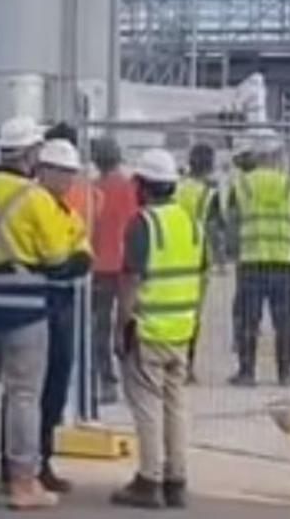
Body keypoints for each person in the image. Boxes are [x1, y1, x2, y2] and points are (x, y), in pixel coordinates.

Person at [0, 117, 91, 510]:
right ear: (30, 154)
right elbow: (56, 257)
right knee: (24, 396)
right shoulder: (36, 200)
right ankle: (22, 483)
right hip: (24, 309)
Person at [110, 148, 204, 510]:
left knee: (148, 406)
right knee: (175, 405)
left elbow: (130, 281)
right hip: (182, 328)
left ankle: (148, 479)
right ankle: (176, 478)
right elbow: (202, 274)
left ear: (143, 186)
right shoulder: (191, 223)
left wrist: (122, 328)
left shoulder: (142, 224)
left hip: (148, 329)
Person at [0, 138, 90, 494]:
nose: (68, 181)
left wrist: (66, 263)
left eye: (72, 174)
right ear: (44, 170)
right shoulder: (29, 205)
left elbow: (81, 254)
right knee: (23, 388)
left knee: (54, 384)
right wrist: (62, 263)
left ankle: (42, 460)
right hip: (32, 301)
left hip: (61, 302)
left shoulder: (67, 212)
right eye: (62, 173)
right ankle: (14, 464)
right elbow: (48, 258)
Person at [226, 130, 290, 387]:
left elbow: (232, 220)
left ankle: (247, 372)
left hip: (252, 260)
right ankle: (285, 373)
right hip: (284, 260)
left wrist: (230, 252)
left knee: (249, 318)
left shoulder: (243, 183)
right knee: (284, 320)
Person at [89, 136, 139, 406]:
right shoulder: (132, 189)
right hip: (128, 266)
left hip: (99, 267)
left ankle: (106, 382)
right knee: (128, 324)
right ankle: (132, 378)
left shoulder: (92, 190)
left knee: (99, 328)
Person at [173, 143, 223, 384]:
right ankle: (187, 366)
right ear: (210, 165)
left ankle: (169, 363)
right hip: (197, 259)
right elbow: (215, 228)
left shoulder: (175, 188)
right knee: (192, 317)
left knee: (168, 312)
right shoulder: (208, 194)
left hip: (170, 254)